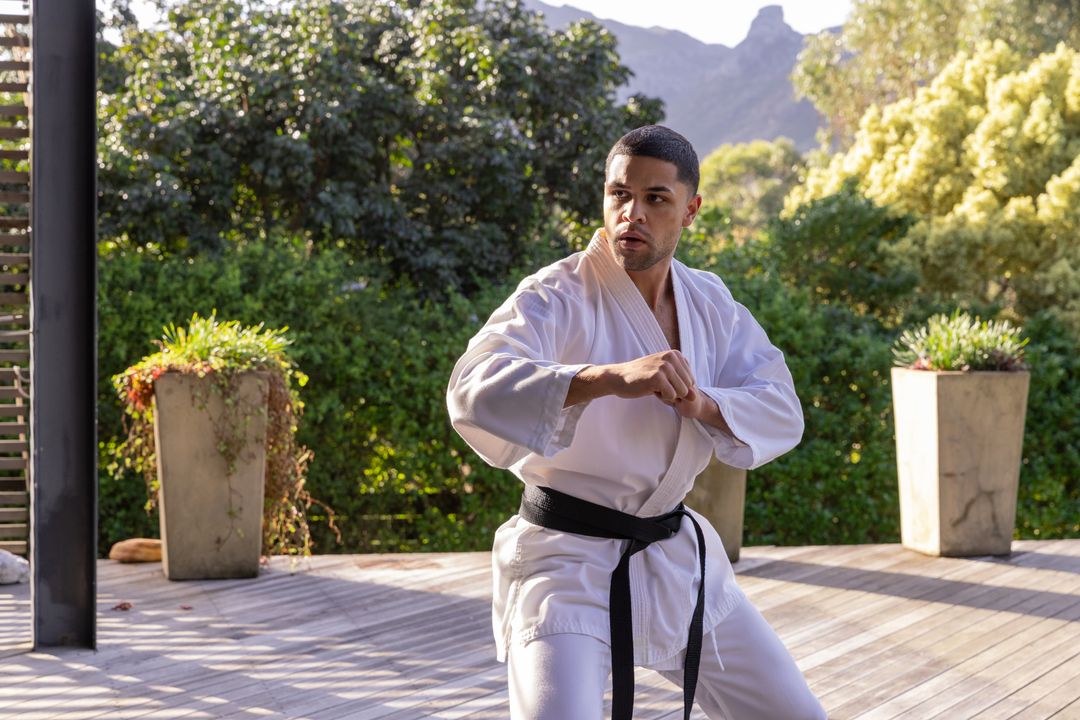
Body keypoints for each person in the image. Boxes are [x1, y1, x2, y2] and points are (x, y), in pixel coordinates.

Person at [446, 125, 826, 720]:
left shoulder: (710, 302)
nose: (632, 214)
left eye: (655, 198)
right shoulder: (554, 295)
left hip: (675, 555)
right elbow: (471, 388)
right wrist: (602, 378)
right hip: (565, 561)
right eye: (620, 194)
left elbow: (781, 406)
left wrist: (705, 405)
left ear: (691, 210)